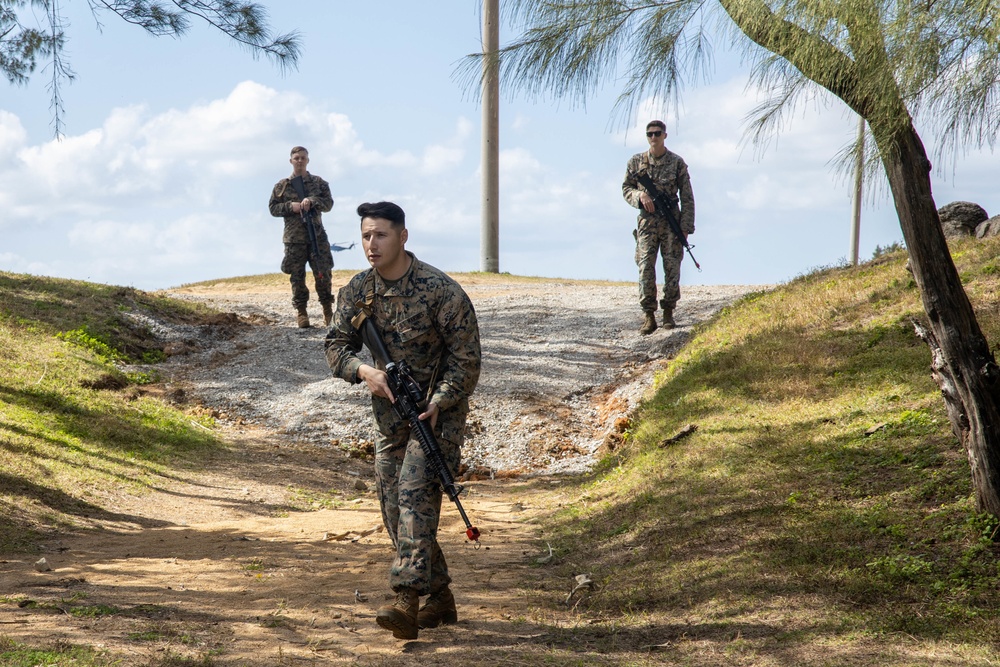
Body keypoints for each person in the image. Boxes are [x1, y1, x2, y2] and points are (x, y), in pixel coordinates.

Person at [323, 201, 481, 640]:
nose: (371, 244)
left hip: (436, 418)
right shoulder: (357, 292)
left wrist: (441, 401)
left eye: (381, 235)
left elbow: (466, 360)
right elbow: (335, 345)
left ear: (403, 237)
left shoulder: (440, 291)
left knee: (414, 494)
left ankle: (406, 600)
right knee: (394, 508)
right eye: (366, 235)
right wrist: (365, 371)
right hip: (389, 417)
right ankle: (441, 596)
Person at [622, 120, 696, 335]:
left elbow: (687, 197)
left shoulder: (676, 162)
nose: (653, 138)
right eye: (649, 134)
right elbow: (626, 188)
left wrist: (685, 227)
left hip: (671, 221)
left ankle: (668, 313)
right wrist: (640, 196)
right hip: (647, 222)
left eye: (657, 133)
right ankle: (648, 315)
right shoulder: (636, 162)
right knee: (645, 267)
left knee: (672, 268)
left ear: (665, 135)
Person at [269, 146, 336, 328]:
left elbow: (328, 204)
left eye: (303, 158)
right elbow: (273, 208)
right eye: (296, 158)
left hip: (317, 236)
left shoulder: (319, 183)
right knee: (297, 278)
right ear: (291, 161)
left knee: (323, 274)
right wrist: (291, 206)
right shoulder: (282, 186)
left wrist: (312, 201)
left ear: (308, 160)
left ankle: (328, 311)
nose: (299, 161)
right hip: (294, 239)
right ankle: (302, 312)